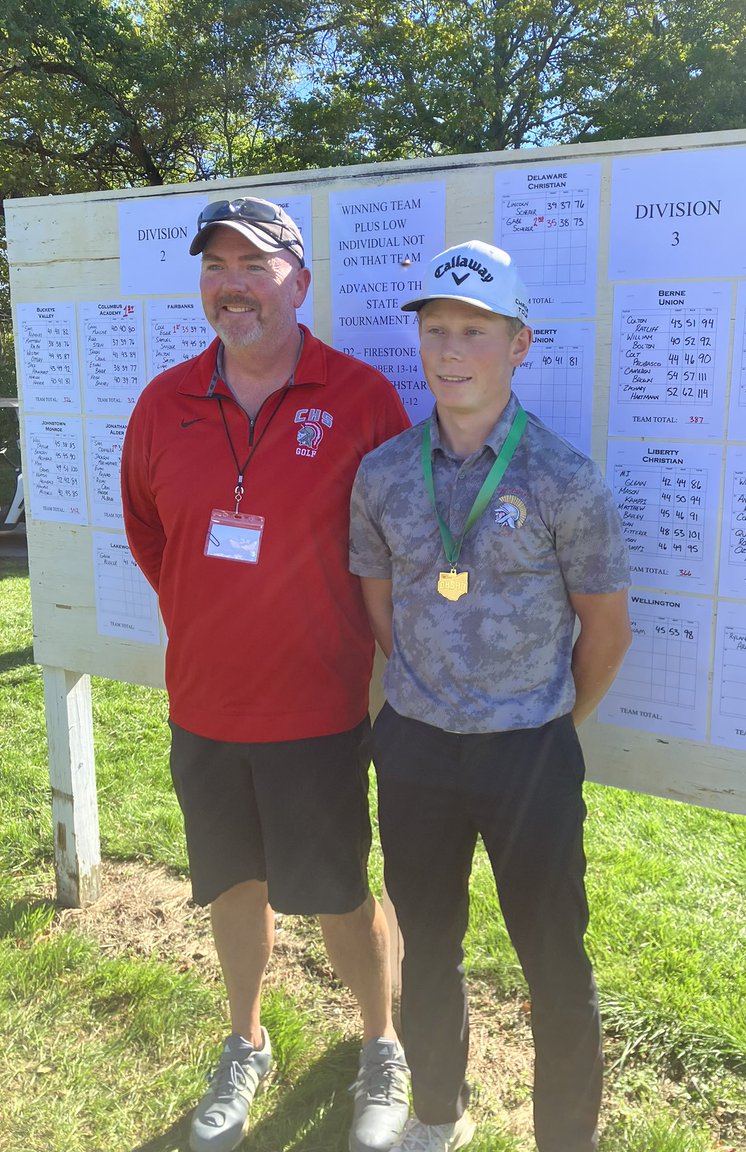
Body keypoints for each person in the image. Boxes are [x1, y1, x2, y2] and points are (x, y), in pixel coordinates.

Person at [121, 197, 412, 1152]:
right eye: (215, 266)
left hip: (317, 708)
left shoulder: (361, 398)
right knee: (232, 885)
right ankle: (245, 1040)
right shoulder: (164, 403)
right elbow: (150, 533)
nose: (232, 285)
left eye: (254, 264)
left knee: (338, 894)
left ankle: (382, 1043)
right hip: (204, 704)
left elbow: (398, 540)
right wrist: (213, 616)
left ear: (300, 281)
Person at [349, 240, 632, 1152]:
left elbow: (607, 630)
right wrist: (439, 697)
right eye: (436, 329)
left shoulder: (563, 478)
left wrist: (544, 722)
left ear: (519, 344)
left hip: (529, 757)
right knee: (428, 944)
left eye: (476, 330)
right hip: (417, 747)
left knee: (554, 961)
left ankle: (566, 1140)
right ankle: (436, 1112)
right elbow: (381, 608)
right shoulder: (384, 473)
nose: (451, 349)